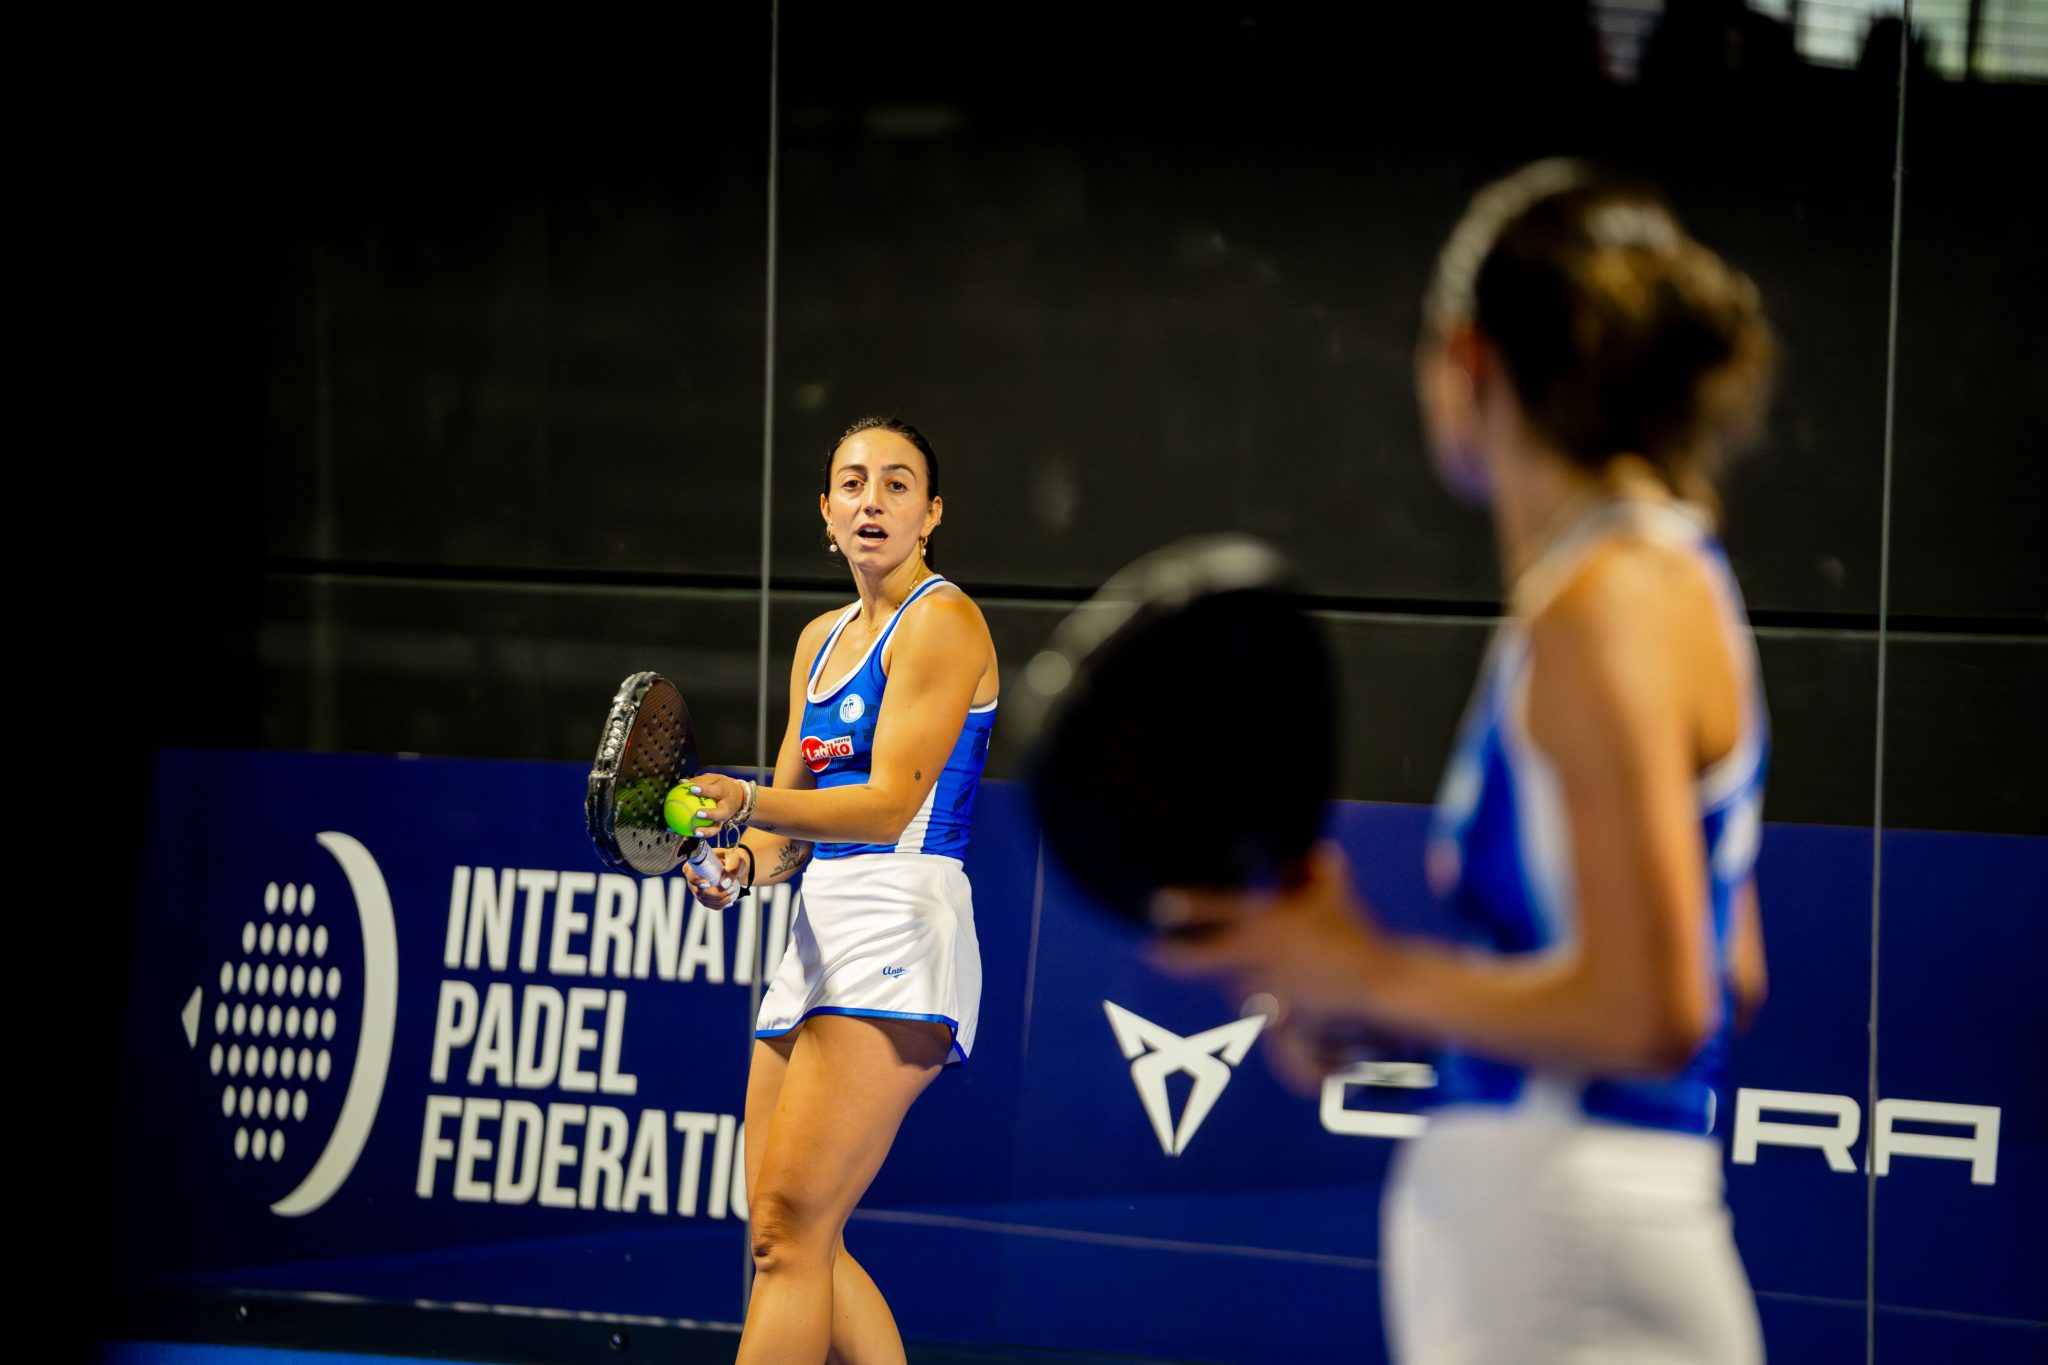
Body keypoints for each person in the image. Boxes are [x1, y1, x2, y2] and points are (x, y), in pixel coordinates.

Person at [1156, 160, 1776, 1364]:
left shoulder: (1604, 603)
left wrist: (1367, 968)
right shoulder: (1656, 577)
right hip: (1575, 1247)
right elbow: (1724, 970)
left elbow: (1658, 1010)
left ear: (1466, 361)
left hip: (1566, 1264)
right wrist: (1376, 1008)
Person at [682, 415, 999, 1365]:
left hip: (902, 920)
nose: (873, 500)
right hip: (819, 932)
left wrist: (745, 799)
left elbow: (886, 806)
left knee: (790, 1233)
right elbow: (788, 835)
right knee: (787, 1236)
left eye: (898, 484)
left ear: (930, 514)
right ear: (826, 511)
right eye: (854, 483)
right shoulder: (819, 640)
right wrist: (739, 863)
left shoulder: (944, 620)